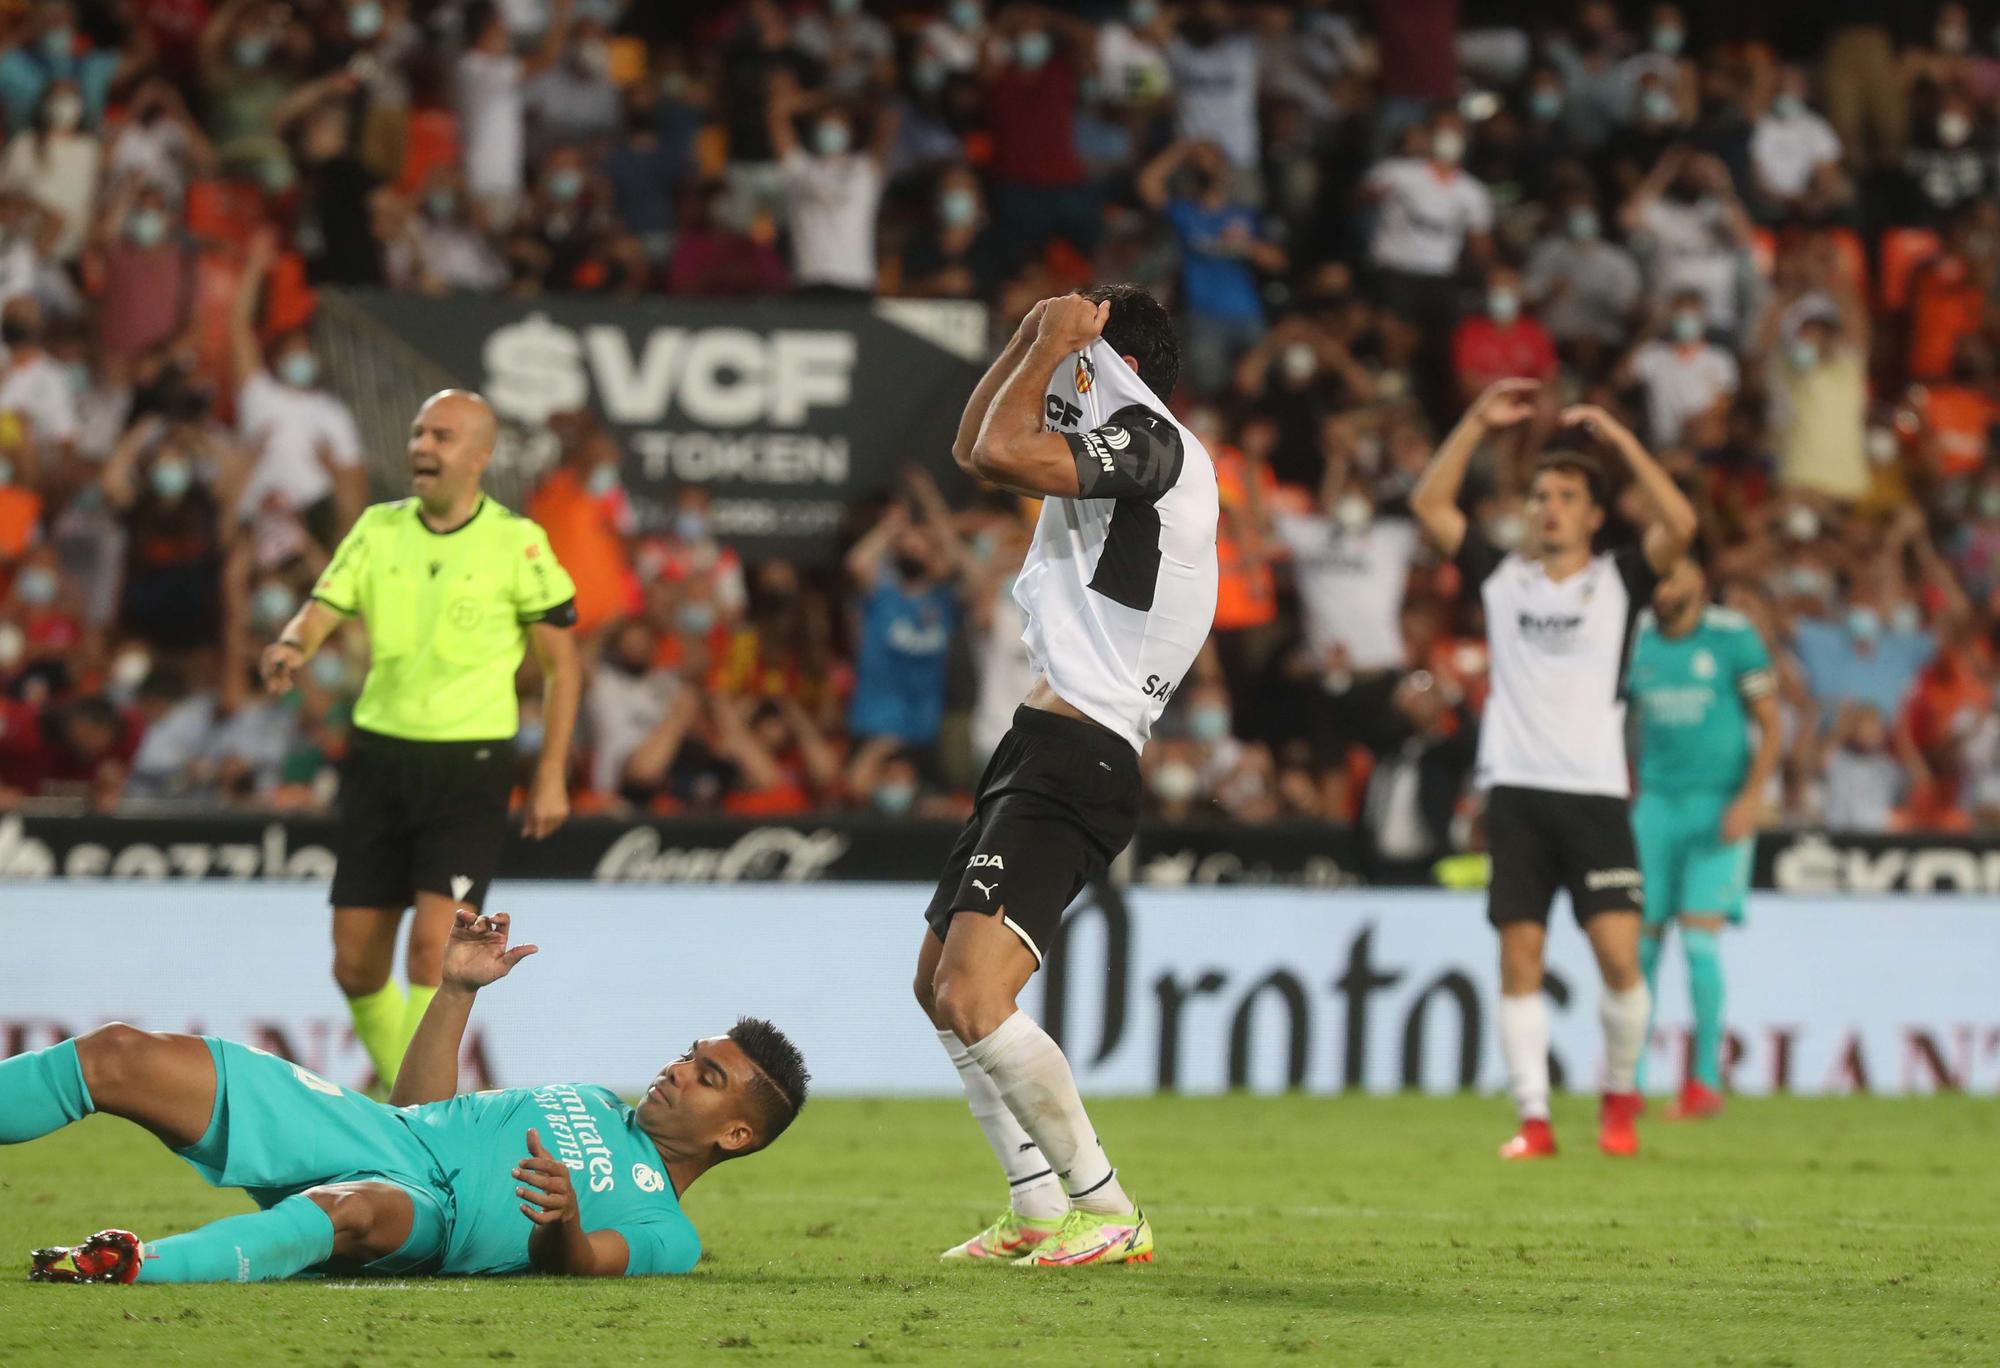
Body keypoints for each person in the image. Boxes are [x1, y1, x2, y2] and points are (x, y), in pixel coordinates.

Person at [12, 909, 807, 1283]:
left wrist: (563, 1223)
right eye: (689, 1054)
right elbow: (418, 1114)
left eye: (707, 1076)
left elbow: (586, 1266)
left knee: (348, 1209)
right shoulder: (596, 1099)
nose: (676, 1069)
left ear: (735, 1135)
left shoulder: (668, 1232)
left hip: (425, 1214)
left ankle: (133, 1267)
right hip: (373, 1129)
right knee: (116, 1054)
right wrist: (457, 991)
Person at [917, 285, 1217, 1266]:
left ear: (1104, 363)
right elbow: (973, 451)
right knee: (937, 986)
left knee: (973, 993)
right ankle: (1035, 1205)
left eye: (1073, 357)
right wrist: (1028, 339)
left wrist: (1053, 338)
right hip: (1037, 745)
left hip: (1081, 754)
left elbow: (1000, 452)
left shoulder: (1156, 444)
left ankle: (1106, 1206)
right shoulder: (1114, 439)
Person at [257, 390, 582, 1092]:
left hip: (470, 768)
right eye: (417, 433)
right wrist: (292, 644)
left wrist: (551, 772)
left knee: (435, 948)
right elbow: (324, 606)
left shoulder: (518, 543)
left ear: (480, 456)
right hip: (379, 759)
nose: (423, 447)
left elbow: (563, 667)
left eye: (442, 435)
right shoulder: (378, 529)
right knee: (354, 966)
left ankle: (416, 1123)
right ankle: (407, 1093)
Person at [1410, 380, 1696, 1160]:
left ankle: (1620, 1095)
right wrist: (1472, 419)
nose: (1550, 507)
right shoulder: (1505, 581)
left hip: (1597, 795)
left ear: (1594, 515)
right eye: (1540, 495)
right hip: (1518, 793)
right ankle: (1534, 1121)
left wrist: (1621, 440)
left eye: (1567, 496)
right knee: (1519, 958)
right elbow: (1430, 507)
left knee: (1617, 958)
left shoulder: (1621, 580)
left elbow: (1683, 523)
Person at [1625, 551, 1779, 1119]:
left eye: (1673, 573)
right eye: (1656, 577)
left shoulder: (1732, 636)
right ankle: (1629, 1082)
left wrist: (1751, 797)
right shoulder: (1633, 637)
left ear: (1699, 577)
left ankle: (1704, 1083)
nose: (1663, 588)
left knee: (1696, 942)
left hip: (1719, 805)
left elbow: (1771, 722)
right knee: (1639, 947)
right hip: (1655, 808)